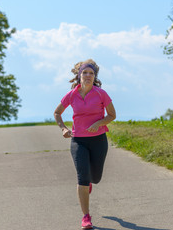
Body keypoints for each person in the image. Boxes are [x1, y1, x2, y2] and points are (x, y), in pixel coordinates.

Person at [54, 59, 116, 229]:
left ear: (94, 76)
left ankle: (89, 182)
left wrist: (99, 123)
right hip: (78, 140)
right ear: (79, 75)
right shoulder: (72, 95)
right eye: (85, 73)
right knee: (82, 177)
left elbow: (112, 115)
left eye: (91, 73)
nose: (88, 76)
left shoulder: (100, 93)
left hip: (98, 140)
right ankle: (86, 216)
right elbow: (57, 112)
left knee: (95, 178)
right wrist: (63, 129)